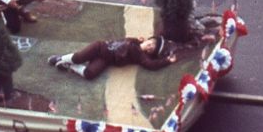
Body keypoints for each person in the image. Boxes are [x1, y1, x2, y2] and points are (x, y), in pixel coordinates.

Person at [48, 35, 177, 79]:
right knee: (78, 58)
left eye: (152, 48)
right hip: (100, 47)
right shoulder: (134, 41)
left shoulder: (140, 56)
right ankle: (61, 58)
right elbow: (124, 41)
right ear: (149, 39)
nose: (150, 46)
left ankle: (69, 65)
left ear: (150, 53)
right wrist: (137, 39)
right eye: (151, 42)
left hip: (106, 59)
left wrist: (166, 61)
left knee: (89, 74)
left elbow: (151, 65)